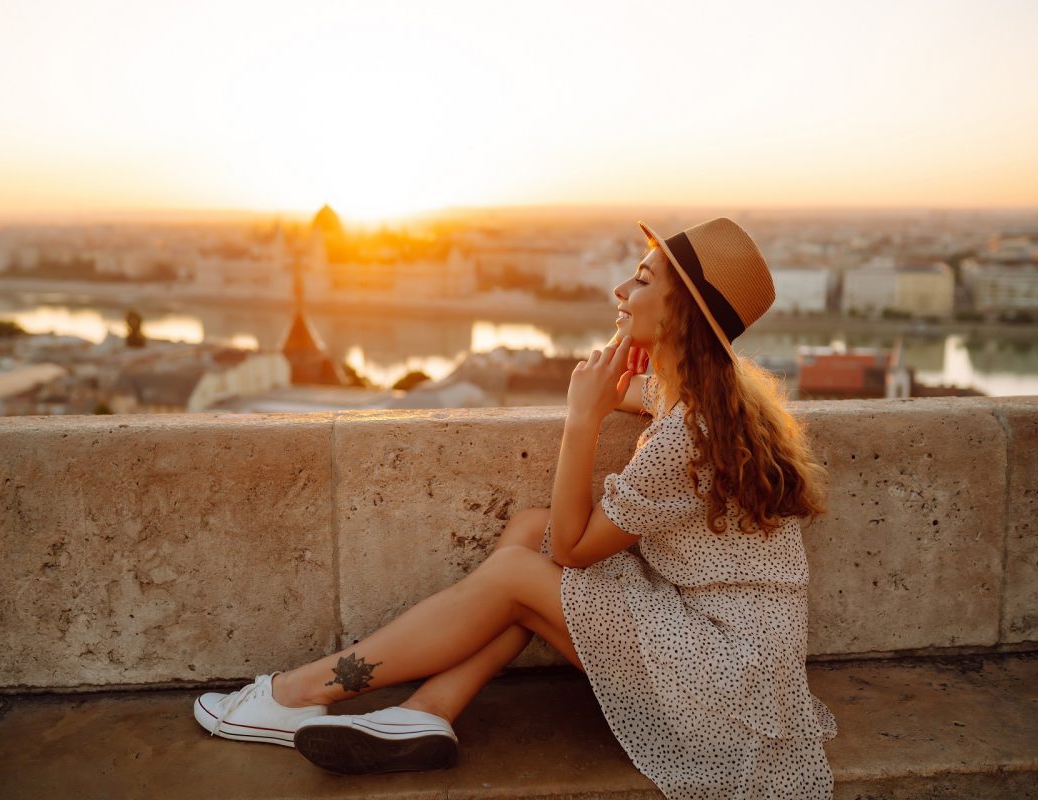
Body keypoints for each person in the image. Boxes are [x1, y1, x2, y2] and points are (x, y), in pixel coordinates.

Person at [192, 217, 838, 799]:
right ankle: (428, 712)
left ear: (682, 316)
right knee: (531, 529)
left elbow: (576, 549)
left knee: (520, 570)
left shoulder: (686, 435)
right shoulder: (704, 398)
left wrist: (581, 419)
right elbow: (641, 398)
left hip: (724, 679)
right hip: (738, 654)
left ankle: (299, 693)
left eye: (640, 280)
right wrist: (616, 387)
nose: (619, 291)